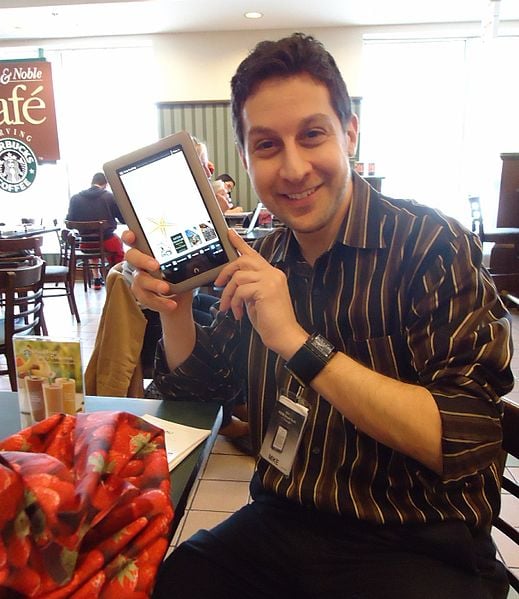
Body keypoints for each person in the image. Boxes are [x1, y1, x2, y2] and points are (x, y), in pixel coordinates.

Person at [124, 33, 514, 599]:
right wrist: (175, 308)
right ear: (245, 157)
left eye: (312, 135)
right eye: (266, 145)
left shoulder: (428, 244)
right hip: (286, 518)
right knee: (178, 579)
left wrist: (298, 343)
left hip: (417, 537)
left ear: (349, 133)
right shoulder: (266, 257)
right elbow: (201, 389)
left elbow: (466, 435)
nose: (293, 167)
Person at [66, 172, 125, 289]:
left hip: (85, 244)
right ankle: (115, 280)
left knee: (94, 248)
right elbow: (122, 219)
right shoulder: (109, 197)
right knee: (118, 248)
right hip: (107, 241)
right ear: (106, 184)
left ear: (92, 183)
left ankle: (96, 279)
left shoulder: (75, 198)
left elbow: (69, 222)